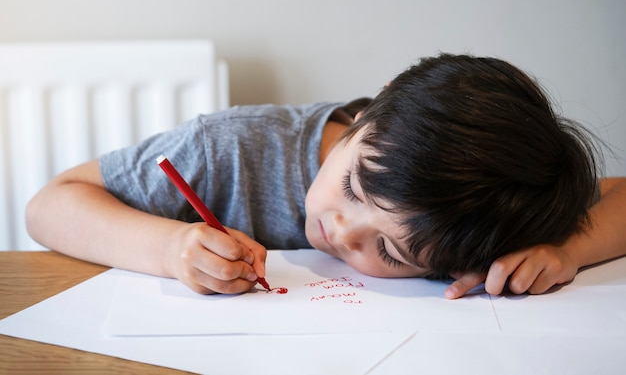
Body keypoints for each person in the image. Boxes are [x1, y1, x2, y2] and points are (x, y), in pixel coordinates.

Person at [26, 53, 626, 299]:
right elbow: (50, 205)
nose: (341, 228)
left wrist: (565, 249)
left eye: (389, 251)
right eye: (353, 186)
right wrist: (168, 246)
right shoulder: (228, 149)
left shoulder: (481, 210)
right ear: (373, 111)